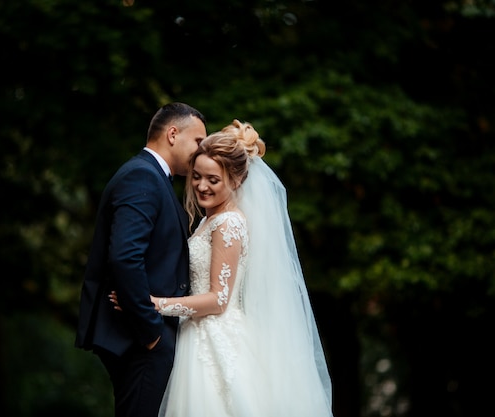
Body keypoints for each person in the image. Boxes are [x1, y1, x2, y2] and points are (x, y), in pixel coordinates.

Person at [112, 119, 333, 416]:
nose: (202, 186)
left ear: (235, 180)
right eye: (197, 176)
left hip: (215, 337)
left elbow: (218, 300)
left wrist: (154, 304)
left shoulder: (228, 223)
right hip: (196, 332)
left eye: (213, 180)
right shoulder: (208, 220)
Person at [75, 102, 207, 417]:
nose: (201, 151)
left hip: (141, 338)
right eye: (198, 141)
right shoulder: (142, 177)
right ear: (173, 134)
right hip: (137, 339)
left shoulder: (153, 178)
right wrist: (151, 333)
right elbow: (124, 257)